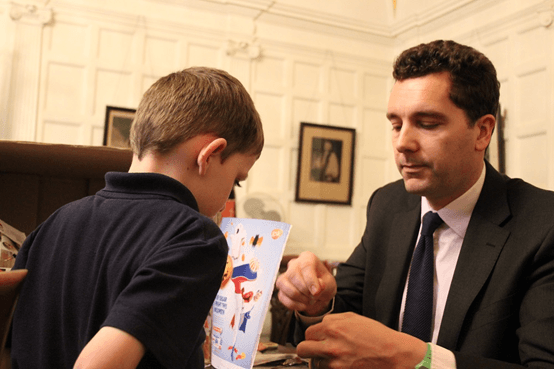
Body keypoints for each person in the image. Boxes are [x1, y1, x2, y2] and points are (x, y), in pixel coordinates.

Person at [276, 40, 554, 368]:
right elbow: (343, 308)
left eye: (427, 124)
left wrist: (416, 359)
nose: (402, 143)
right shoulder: (388, 204)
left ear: (482, 132)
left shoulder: (543, 224)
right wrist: (314, 301)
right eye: (396, 125)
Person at [9, 67, 264, 369]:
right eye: (236, 179)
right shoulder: (196, 237)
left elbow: (9, 348)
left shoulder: (52, 224)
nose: (228, 199)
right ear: (208, 155)